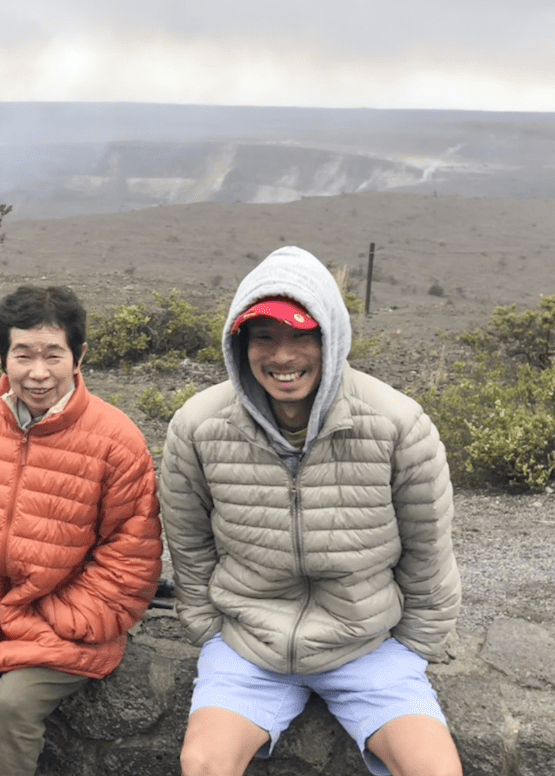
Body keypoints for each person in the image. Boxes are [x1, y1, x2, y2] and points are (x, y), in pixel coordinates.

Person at [158, 246, 463, 776]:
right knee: (203, 764)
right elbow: (188, 545)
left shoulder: (398, 425)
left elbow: (429, 550)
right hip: (250, 647)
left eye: (303, 334)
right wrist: (208, 630)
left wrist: (412, 647)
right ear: (240, 344)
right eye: (265, 337)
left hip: (366, 645)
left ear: (331, 338)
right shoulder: (198, 426)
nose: (283, 356)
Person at [0, 284, 163, 776]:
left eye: (54, 355)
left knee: (10, 711)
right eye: (22, 354)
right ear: (0, 356)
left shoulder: (117, 439)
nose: (38, 372)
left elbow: (130, 554)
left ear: (79, 356)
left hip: (69, 622)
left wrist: (65, 614)